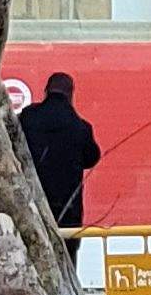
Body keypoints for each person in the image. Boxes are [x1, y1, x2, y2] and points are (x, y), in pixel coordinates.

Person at [18, 73, 104, 255]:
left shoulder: (27, 118)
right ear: (71, 94)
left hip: (32, 203)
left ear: (46, 91)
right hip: (67, 210)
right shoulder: (80, 127)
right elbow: (92, 157)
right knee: (66, 259)